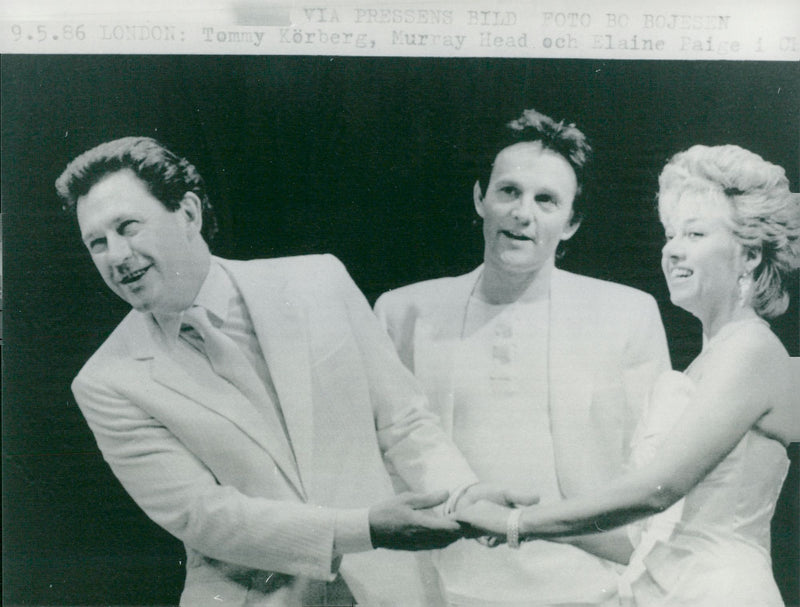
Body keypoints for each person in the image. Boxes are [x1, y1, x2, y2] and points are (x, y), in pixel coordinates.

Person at [55, 136, 519, 607]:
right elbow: (203, 517)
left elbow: (403, 420)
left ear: (189, 213)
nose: (115, 255)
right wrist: (366, 529)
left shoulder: (318, 280)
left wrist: (465, 496)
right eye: (97, 242)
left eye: (127, 227)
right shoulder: (106, 381)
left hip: (393, 590)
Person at [457, 144, 800, 606]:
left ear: (751, 256)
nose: (673, 250)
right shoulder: (709, 360)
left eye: (695, 234)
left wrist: (517, 526)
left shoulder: (753, 349)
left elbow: (657, 490)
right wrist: (524, 515)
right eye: (670, 234)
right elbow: (643, 536)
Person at [374, 109, 671, 606]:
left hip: (585, 589)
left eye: (546, 200)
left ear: (571, 221)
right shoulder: (403, 311)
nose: (522, 212)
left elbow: (650, 466)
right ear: (480, 198)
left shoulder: (627, 314)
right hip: (439, 590)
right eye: (508, 191)